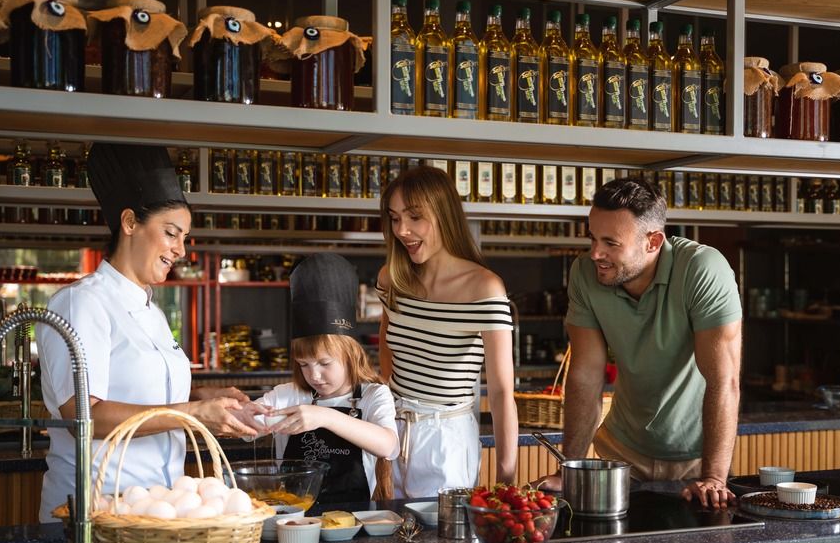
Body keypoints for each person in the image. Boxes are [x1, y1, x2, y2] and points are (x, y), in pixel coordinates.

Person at [36, 143, 264, 522]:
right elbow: (83, 417)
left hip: (154, 509)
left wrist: (203, 397)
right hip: (96, 510)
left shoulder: (152, 311)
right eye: (172, 233)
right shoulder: (82, 303)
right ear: (129, 223)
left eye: (184, 237)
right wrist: (194, 413)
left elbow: (137, 392)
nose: (181, 250)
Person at [542, 177, 742, 509]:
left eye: (610, 243)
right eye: (592, 238)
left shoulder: (703, 269)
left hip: (697, 461)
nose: (595, 253)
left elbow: (723, 380)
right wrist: (569, 469)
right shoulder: (584, 274)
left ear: (653, 242)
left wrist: (714, 478)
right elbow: (585, 374)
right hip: (621, 452)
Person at [377, 165, 518, 498]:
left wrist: (506, 479)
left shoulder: (484, 288)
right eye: (395, 218)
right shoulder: (391, 278)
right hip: (391, 433)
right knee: (387, 529)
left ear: (444, 213)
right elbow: (386, 353)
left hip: (446, 439)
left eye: (415, 217)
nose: (402, 230)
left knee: (440, 531)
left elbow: (501, 393)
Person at [252, 253, 400, 503]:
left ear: (350, 355)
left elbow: (389, 446)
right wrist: (240, 415)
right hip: (293, 517)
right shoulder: (288, 395)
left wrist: (325, 417)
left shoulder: (373, 395)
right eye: (304, 365)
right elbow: (245, 424)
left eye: (324, 363)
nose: (314, 375)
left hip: (353, 518)